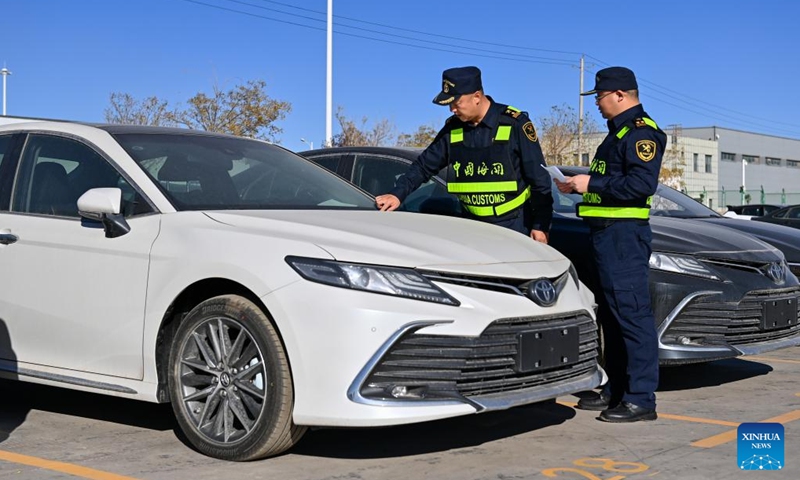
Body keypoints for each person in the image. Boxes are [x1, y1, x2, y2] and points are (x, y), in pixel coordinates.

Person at [555, 66, 665, 423]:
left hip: (624, 236)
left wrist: (592, 185)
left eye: (600, 97)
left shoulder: (641, 134)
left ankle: (640, 399)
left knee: (633, 315)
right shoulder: (616, 134)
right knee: (614, 316)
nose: (598, 104)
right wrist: (578, 184)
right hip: (605, 234)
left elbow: (640, 186)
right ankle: (616, 388)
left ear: (620, 95)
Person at [375, 66, 553, 242]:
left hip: (513, 225)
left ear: (476, 97)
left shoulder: (514, 123)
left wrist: (541, 225)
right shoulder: (453, 129)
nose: (452, 109)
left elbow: (539, 179)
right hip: (470, 227)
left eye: (456, 103)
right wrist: (398, 194)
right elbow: (423, 166)